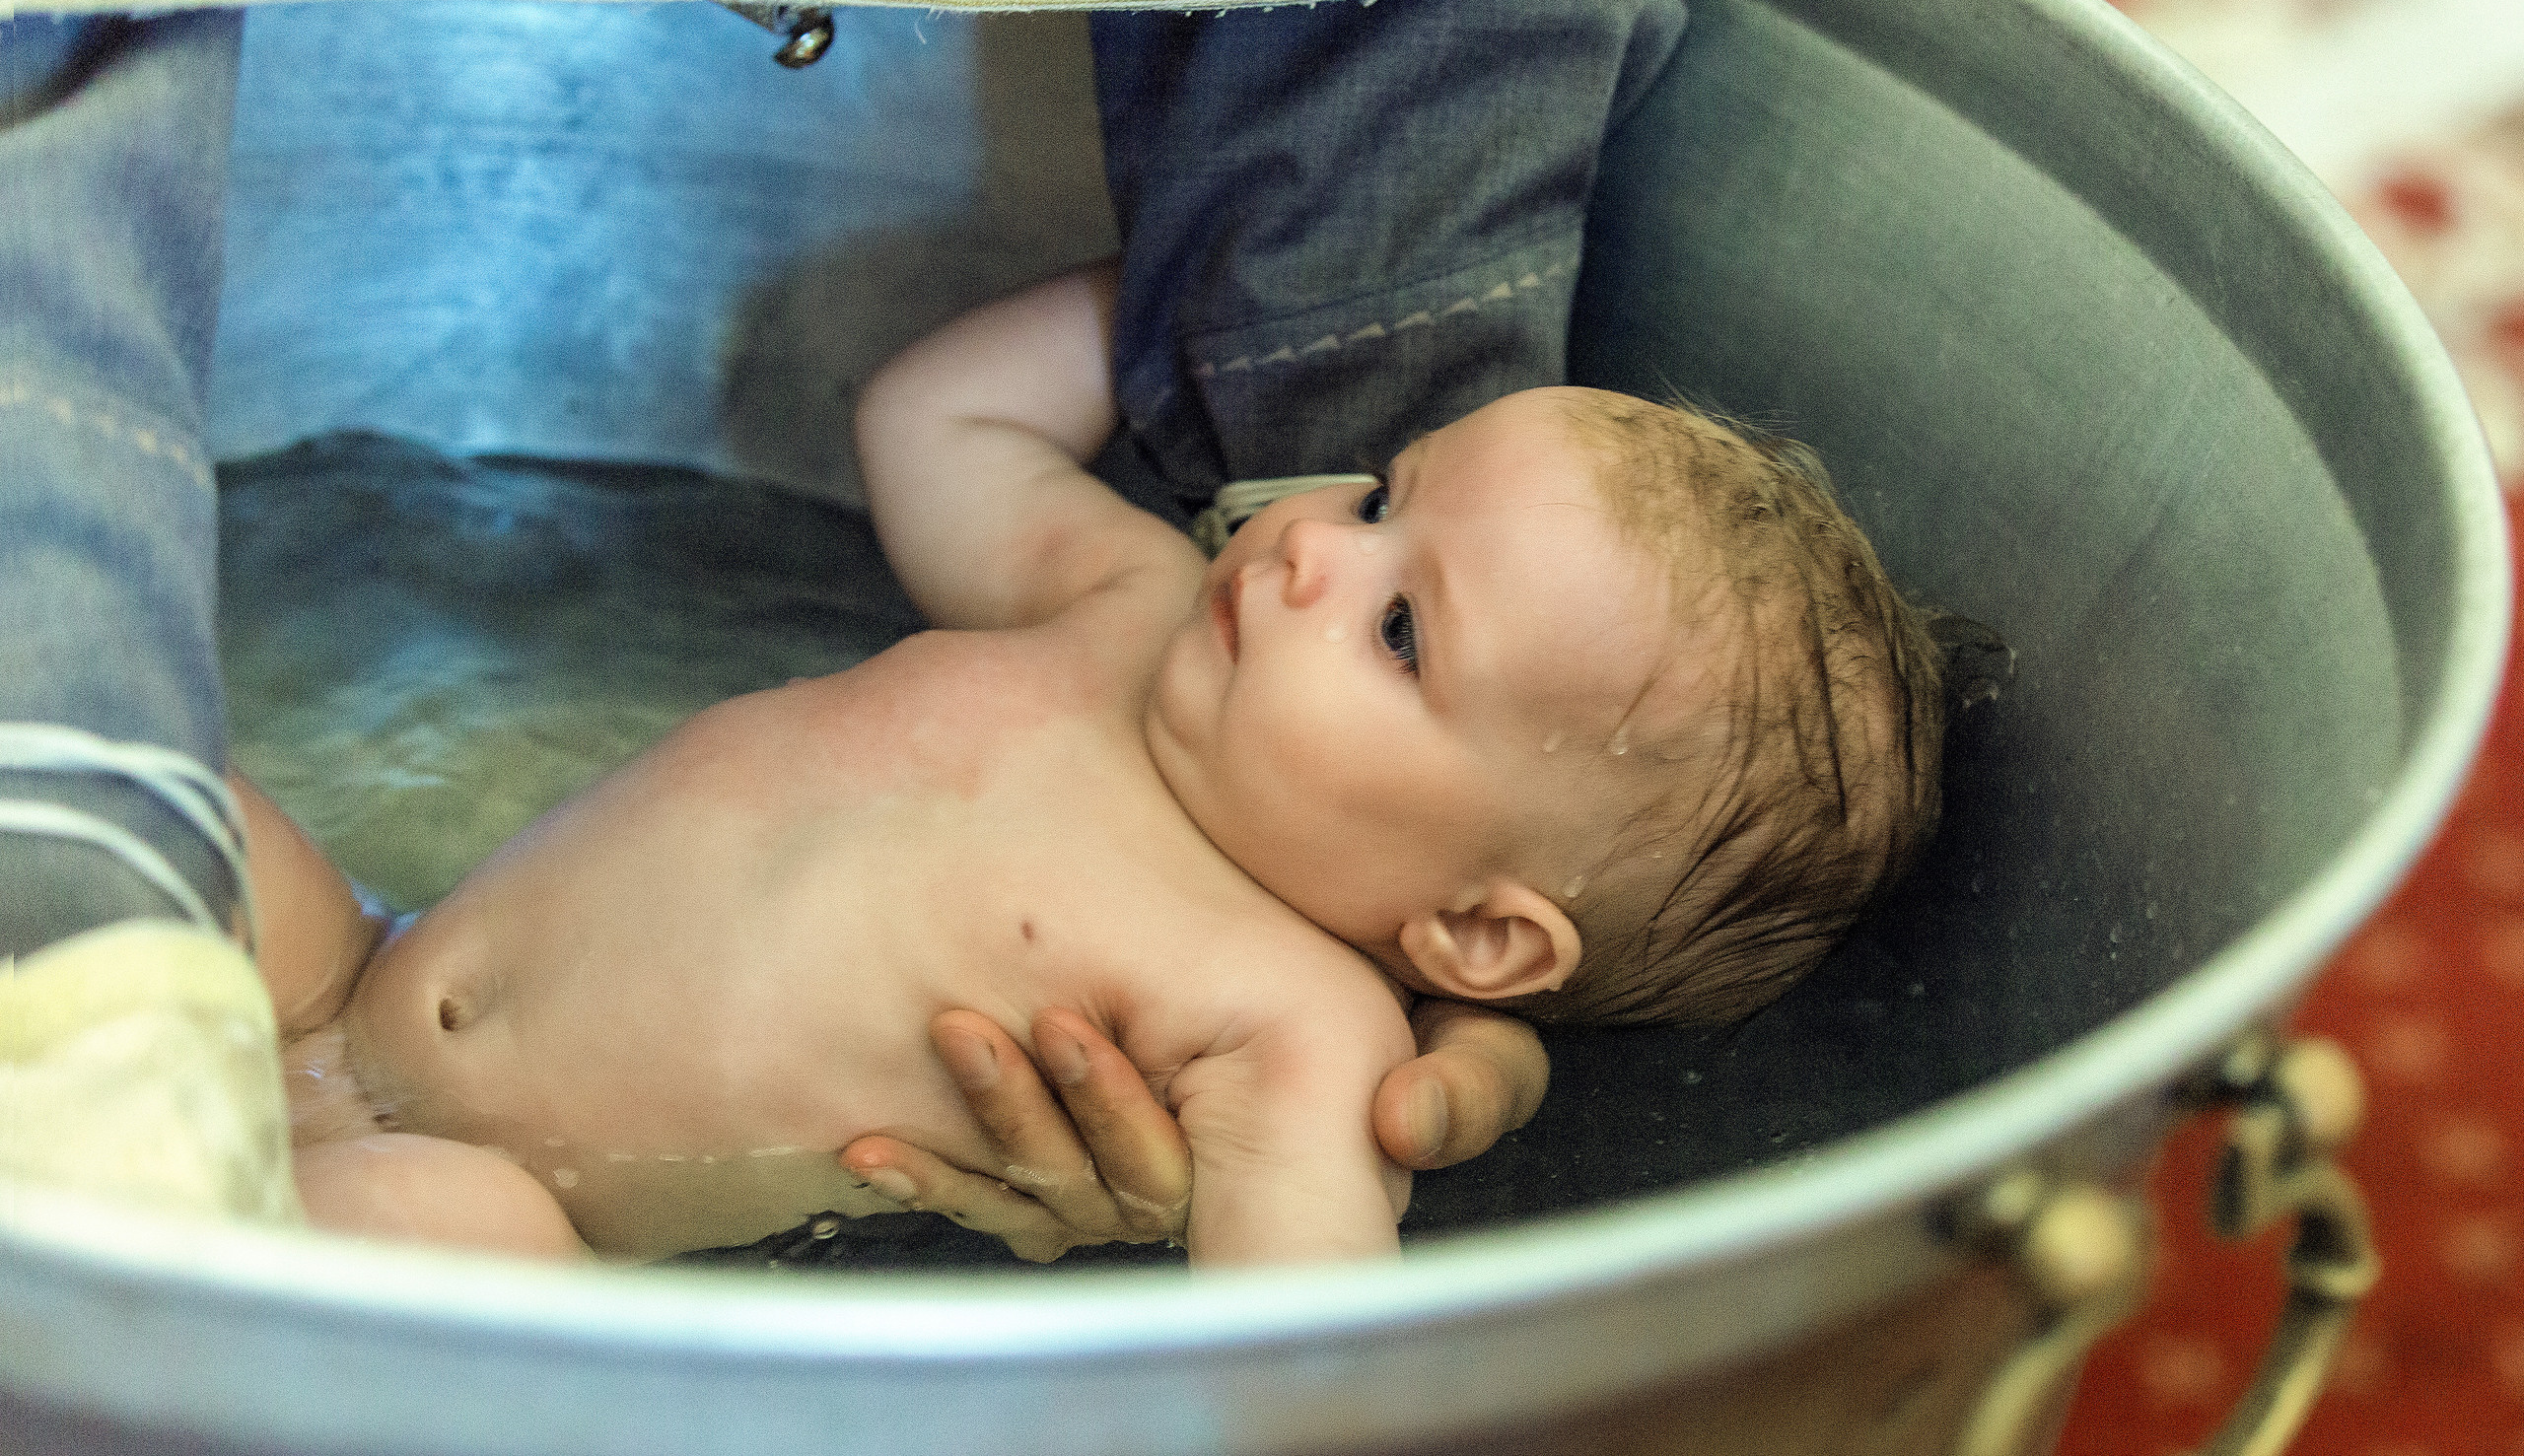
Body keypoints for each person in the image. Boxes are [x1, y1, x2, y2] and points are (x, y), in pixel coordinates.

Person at [245, 260, 1944, 1266]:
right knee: (173, 819)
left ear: (1483, 937)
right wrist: (1217, 283)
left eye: (1402, 629)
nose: (1303, 551)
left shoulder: (1294, 1028)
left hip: (491, 1196)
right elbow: (937, 424)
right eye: (1377, 496)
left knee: (392, 1247)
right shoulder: (1131, 602)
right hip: (361, 973)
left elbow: (1300, 1371)